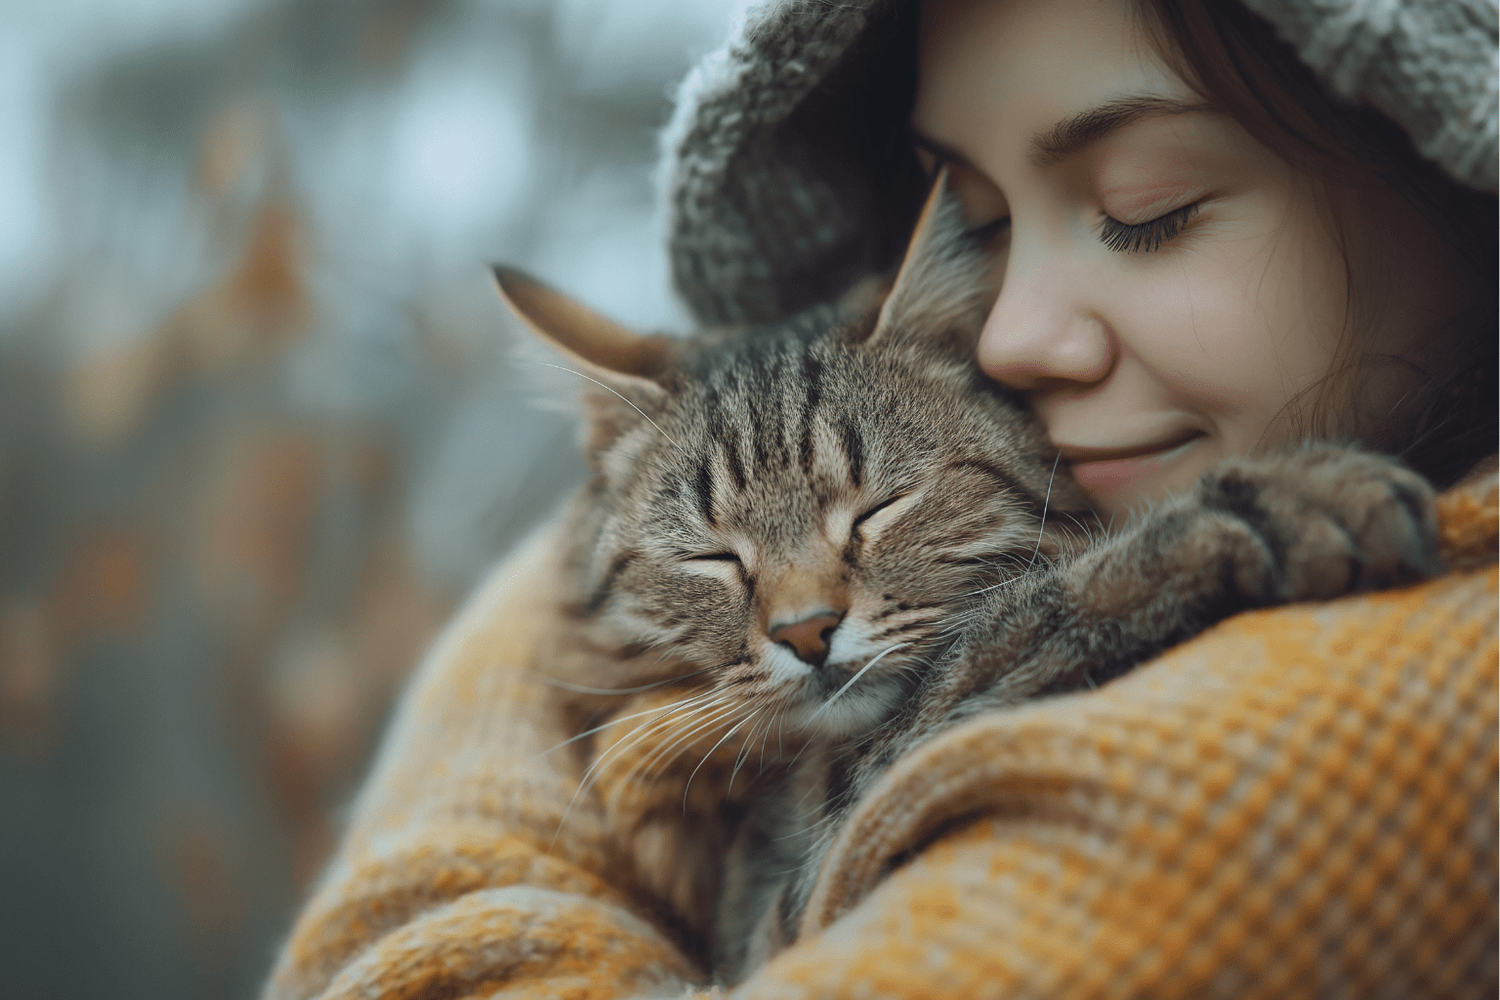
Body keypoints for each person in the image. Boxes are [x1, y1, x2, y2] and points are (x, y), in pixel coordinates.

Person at [261, 0, 1497, 996]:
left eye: (1146, 209)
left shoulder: (1412, 709)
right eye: (979, 224)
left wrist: (487, 722)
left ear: (1444, 144)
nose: (1005, 340)